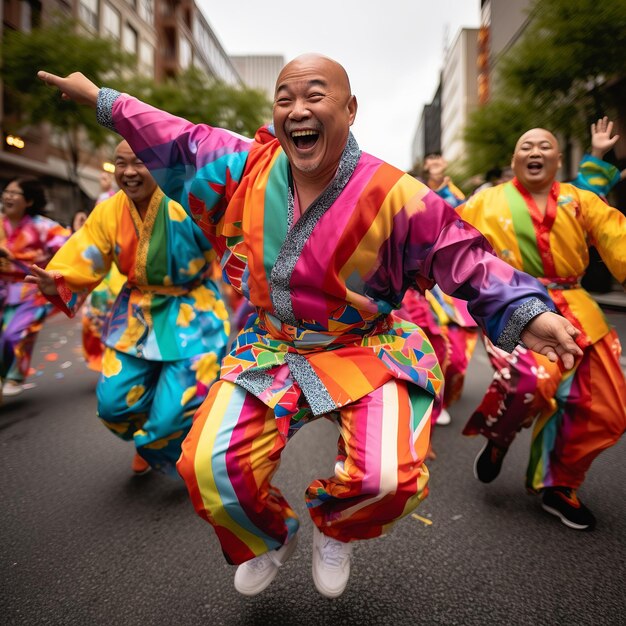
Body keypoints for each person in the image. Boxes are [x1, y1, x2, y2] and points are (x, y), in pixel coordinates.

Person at [37, 56, 582, 598]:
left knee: (387, 478)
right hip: (271, 344)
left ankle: (338, 528)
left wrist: (527, 311)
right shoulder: (246, 168)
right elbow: (179, 139)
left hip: (366, 346)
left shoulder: (395, 194)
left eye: (315, 96)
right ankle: (272, 535)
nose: (298, 110)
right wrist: (103, 100)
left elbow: (462, 254)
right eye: (284, 98)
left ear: (350, 109)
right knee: (209, 465)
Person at [26, 141, 230, 476]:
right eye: (120, 163)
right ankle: (153, 435)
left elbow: (229, 237)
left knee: (174, 412)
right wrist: (58, 279)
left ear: (159, 164)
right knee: (113, 405)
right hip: (137, 313)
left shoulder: (188, 199)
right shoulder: (109, 210)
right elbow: (86, 250)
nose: (128, 172)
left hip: (192, 311)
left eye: (139, 162)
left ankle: (157, 446)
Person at [459, 125, 626, 531]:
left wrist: (598, 157)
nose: (536, 151)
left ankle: (558, 483)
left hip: (578, 308)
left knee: (602, 406)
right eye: (526, 145)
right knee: (531, 379)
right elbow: (444, 236)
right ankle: (500, 437)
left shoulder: (578, 199)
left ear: (556, 159)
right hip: (513, 303)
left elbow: (614, 234)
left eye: (546, 145)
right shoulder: (487, 200)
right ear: (514, 159)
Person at [0, 176, 70, 398]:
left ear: (28, 201)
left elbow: (70, 248)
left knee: (14, 335)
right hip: (2, 287)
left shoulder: (42, 226)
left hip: (30, 289)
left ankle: (13, 376)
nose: (8, 197)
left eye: (14, 193)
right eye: (6, 192)